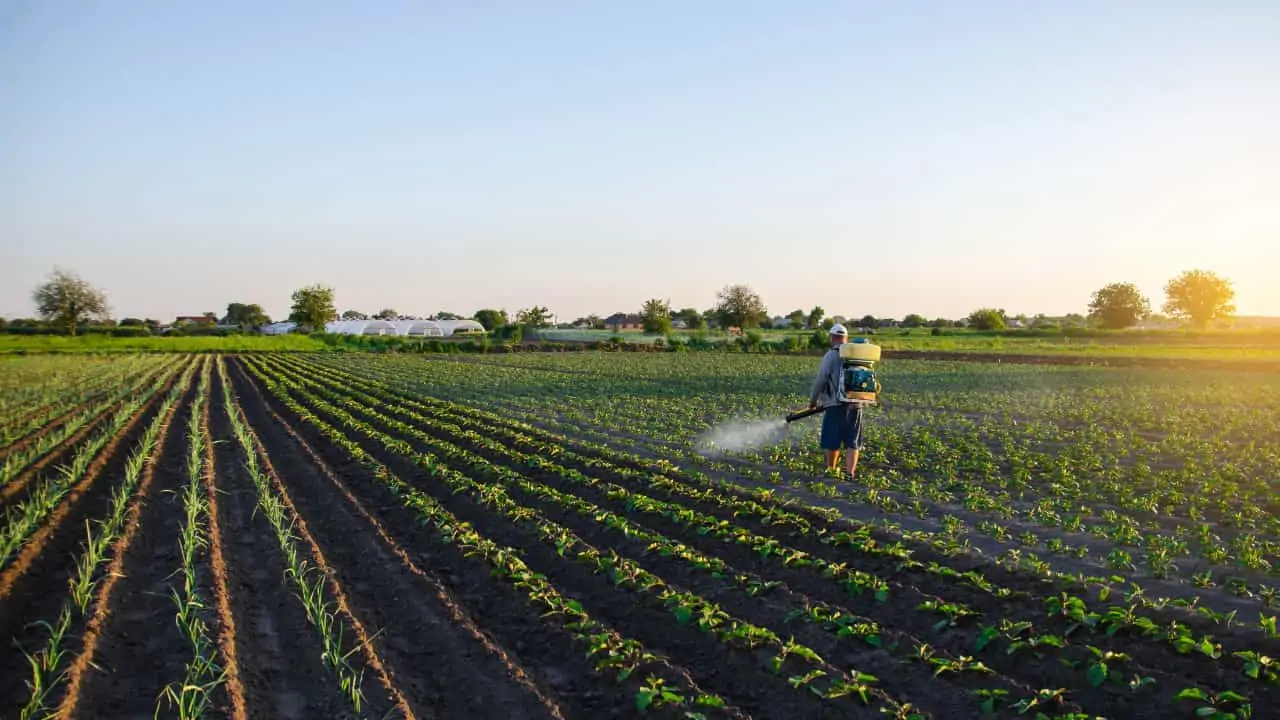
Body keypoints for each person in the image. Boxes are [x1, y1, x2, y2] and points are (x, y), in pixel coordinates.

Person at [808, 324, 864, 479]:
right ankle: (850, 473)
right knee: (853, 441)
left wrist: (813, 401)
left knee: (832, 439)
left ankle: (830, 471)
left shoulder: (831, 355)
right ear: (846, 338)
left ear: (832, 337)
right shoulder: (857, 354)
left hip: (835, 404)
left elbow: (821, 379)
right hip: (856, 404)